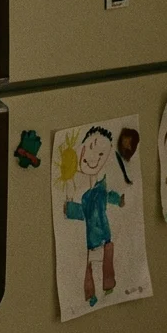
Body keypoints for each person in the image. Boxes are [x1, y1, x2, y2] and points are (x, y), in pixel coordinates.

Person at [65, 126, 124, 307]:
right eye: (92, 148)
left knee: (107, 262)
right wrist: (68, 208)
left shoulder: (100, 188)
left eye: (101, 155)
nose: (94, 159)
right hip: (91, 239)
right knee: (89, 266)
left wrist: (119, 199)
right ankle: (91, 294)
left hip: (105, 235)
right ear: (81, 148)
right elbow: (82, 212)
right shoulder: (84, 194)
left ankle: (109, 286)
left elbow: (108, 196)